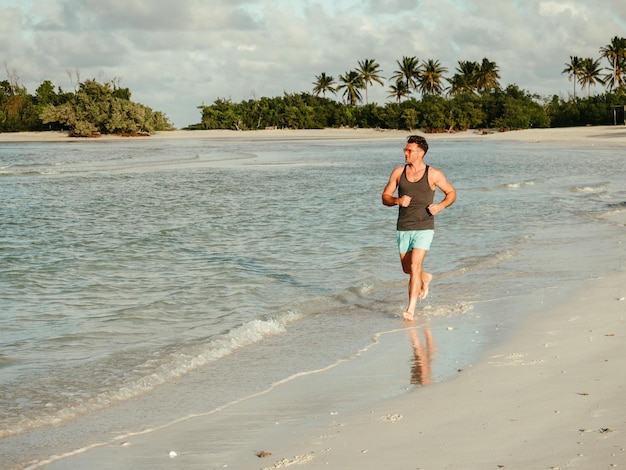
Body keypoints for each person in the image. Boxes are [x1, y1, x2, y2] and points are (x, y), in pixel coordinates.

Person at [382, 135, 456, 321]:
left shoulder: (433, 174)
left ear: (421, 152)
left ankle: (411, 309)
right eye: (405, 150)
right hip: (403, 226)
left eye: (410, 150)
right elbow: (385, 197)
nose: (405, 153)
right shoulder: (398, 172)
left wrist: (440, 206)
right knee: (407, 268)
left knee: (414, 267)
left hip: (424, 226)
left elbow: (451, 193)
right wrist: (397, 200)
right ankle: (426, 277)